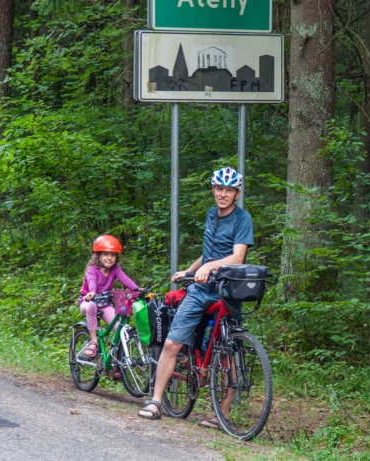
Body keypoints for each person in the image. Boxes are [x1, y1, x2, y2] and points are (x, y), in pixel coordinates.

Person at [138, 167, 253, 425]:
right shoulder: (211, 215)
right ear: (213, 190)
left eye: (229, 190)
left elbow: (237, 257)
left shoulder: (243, 219)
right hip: (201, 290)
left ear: (237, 193)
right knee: (172, 343)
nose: (223, 194)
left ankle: (220, 415)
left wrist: (209, 267)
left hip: (227, 291)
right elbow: (208, 253)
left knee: (229, 352)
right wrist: (189, 270)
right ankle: (156, 401)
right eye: (219, 189)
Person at [78, 234, 140, 359]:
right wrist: (92, 291)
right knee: (91, 306)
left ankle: (116, 363)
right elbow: (91, 280)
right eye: (106, 254)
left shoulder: (115, 269)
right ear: (98, 255)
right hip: (87, 302)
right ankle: (93, 341)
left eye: (113, 255)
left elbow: (125, 279)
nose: (110, 258)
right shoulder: (92, 269)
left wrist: (137, 289)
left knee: (121, 330)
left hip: (105, 305)